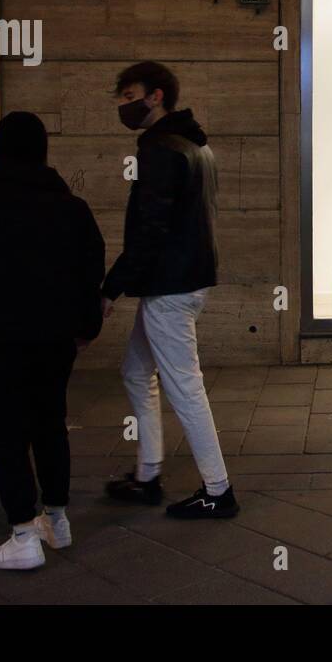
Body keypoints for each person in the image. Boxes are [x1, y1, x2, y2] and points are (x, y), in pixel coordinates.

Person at [0, 111, 105, 570]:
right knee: (50, 422)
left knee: (5, 431)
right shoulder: (71, 206)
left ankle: (23, 536)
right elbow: (91, 272)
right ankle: (58, 519)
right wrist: (86, 328)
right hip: (54, 338)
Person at [101, 61, 238, 520]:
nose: (123, 105)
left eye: (129, 95)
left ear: (155, 96)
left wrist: (111, 287)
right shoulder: (193, 145)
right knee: (137, 370)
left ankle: (218, 491)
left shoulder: (162, 150)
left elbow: (151, 227)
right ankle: (147, 474)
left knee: (184, 386)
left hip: (170, 285)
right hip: (182, 279)